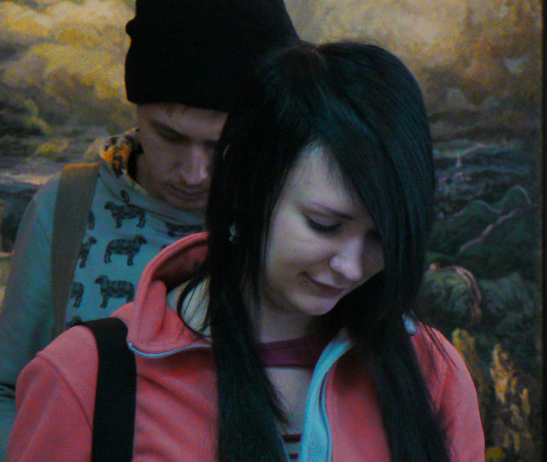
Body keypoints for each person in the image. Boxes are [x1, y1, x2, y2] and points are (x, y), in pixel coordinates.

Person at [8, 41, 485, 461]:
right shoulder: (86, 377)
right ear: (246, 186)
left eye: (381, 238)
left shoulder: (433, 373)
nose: (351, 265)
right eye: (323, 225)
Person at [0, 0, 300, 460]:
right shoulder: (67, 206)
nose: (195, 172)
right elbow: (9, 387)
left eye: (222, 145)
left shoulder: (290, 218)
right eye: (170, 136)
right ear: (136, 109)